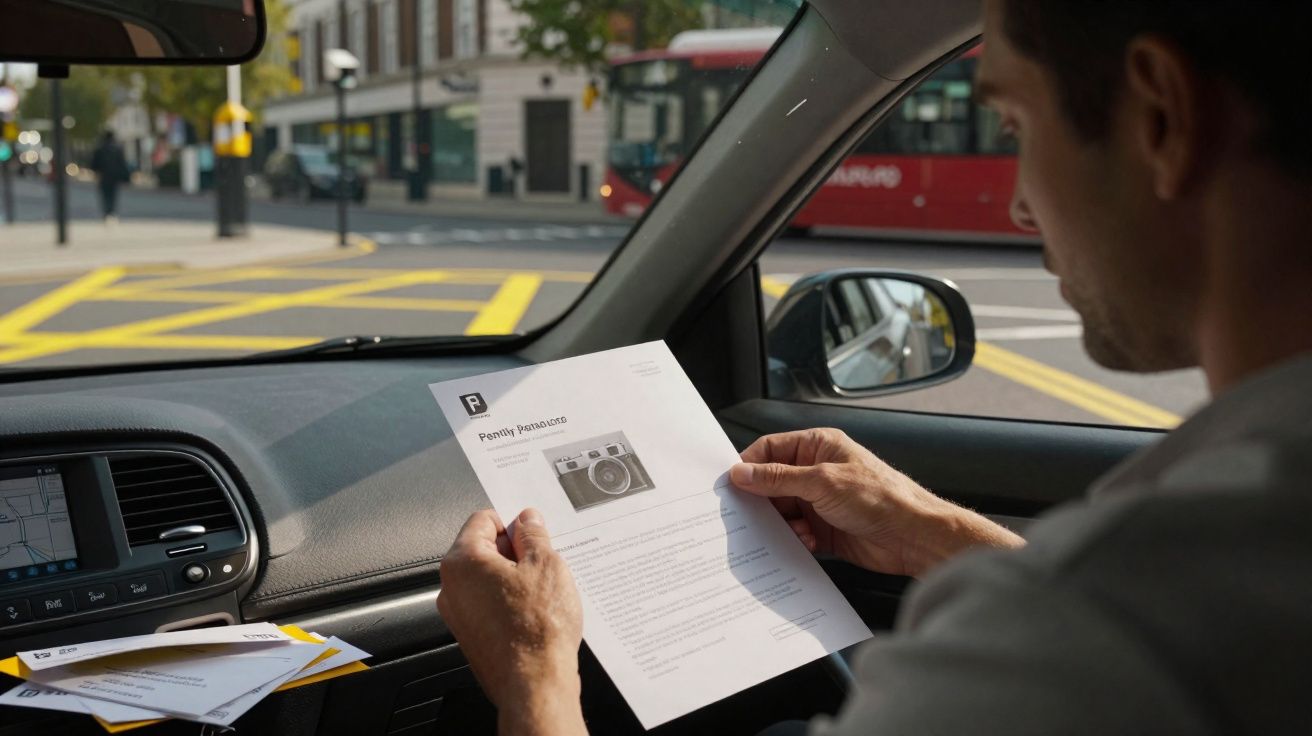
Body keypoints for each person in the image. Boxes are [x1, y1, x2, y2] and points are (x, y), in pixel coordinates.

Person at [436, 0, 1312, 733]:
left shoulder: (1102, 629)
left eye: (1014, 123)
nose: (1017, 205)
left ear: (1160, 115)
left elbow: (1106, 623)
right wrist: (935, 530)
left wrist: (536, 681)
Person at [89, 130, 130, 223]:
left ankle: (107, 212)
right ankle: (111, 211)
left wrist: (96, 172)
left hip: (103, 177)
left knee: (105, 195)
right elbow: (122, 164)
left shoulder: (100, 149)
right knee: (113, 195)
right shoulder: (117, 149)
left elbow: (94, 164)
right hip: (114, 177)